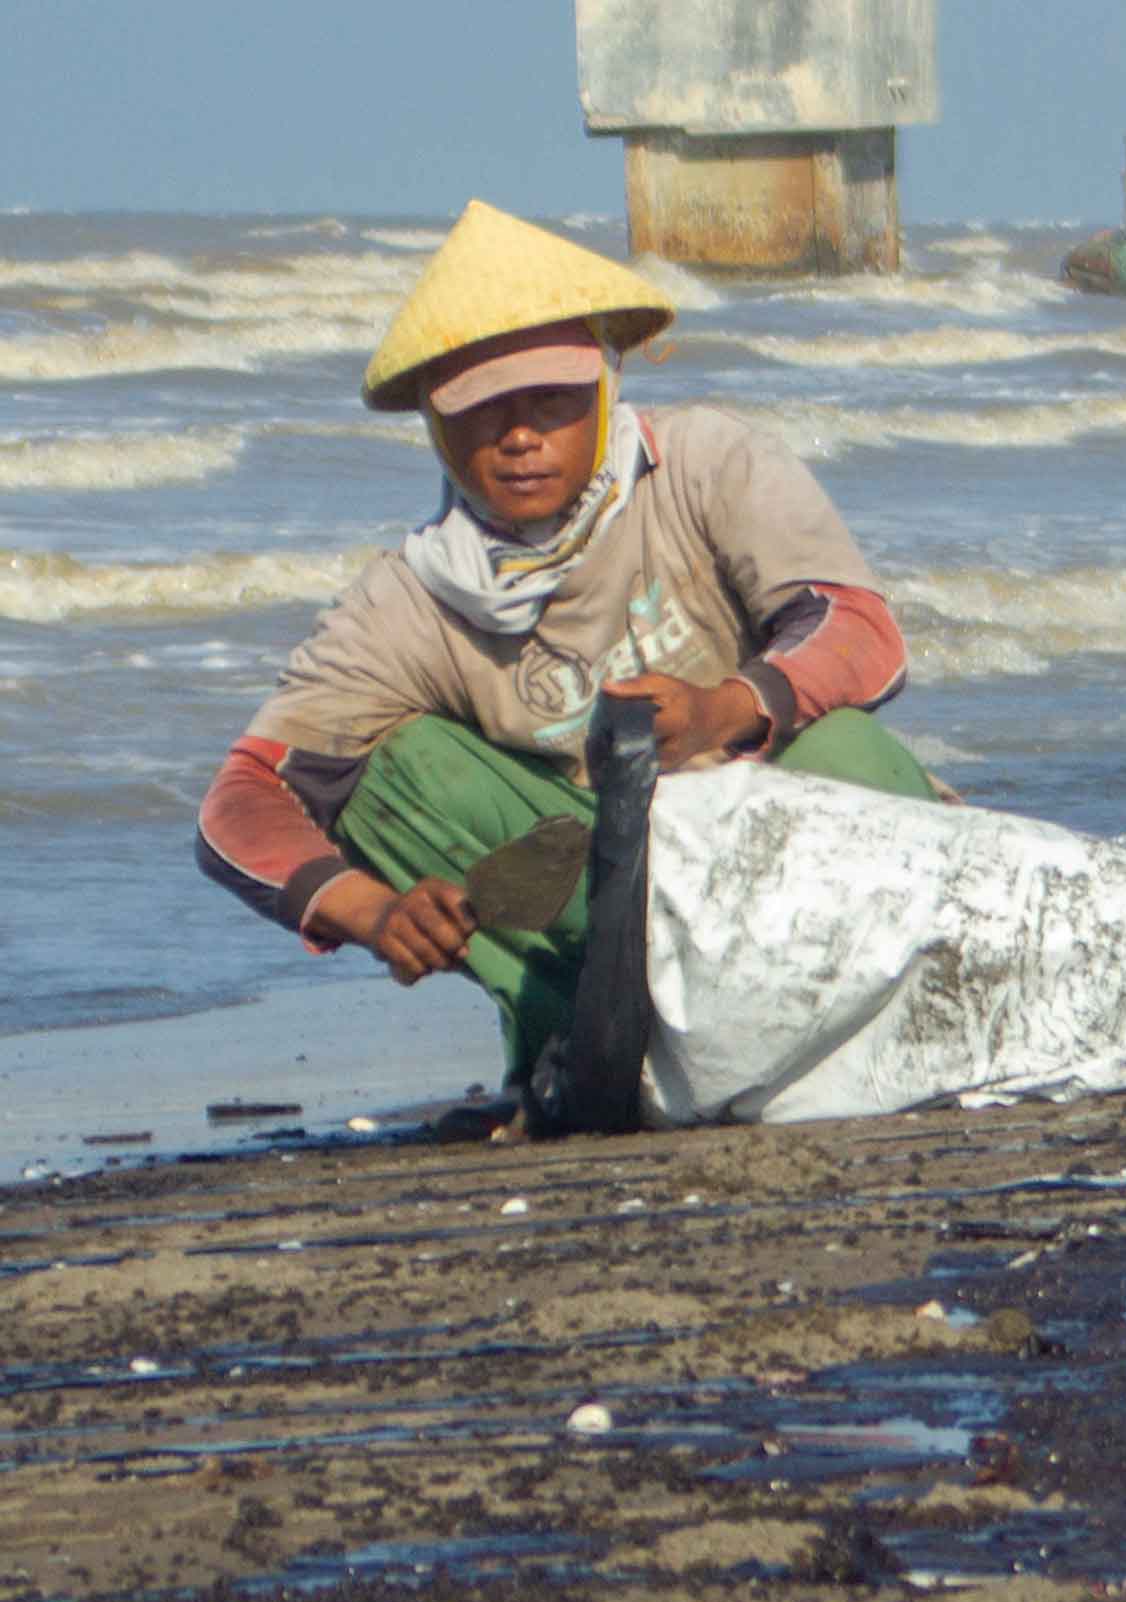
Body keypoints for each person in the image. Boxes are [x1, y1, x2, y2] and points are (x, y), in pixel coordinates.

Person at [195, 200, 939, 1115]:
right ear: (437, 420)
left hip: (791, 861)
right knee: (391, 775)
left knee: (845, 752)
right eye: (484, 409)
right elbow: (239, 803)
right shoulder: (412, 598)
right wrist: (374, 912)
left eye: (550, 400)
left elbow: (861, 630)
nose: (519, 435)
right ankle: (570, 1030)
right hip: (607, 910)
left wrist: (722, 709)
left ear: (603, 382)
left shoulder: (703, 467)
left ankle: (900, 991)